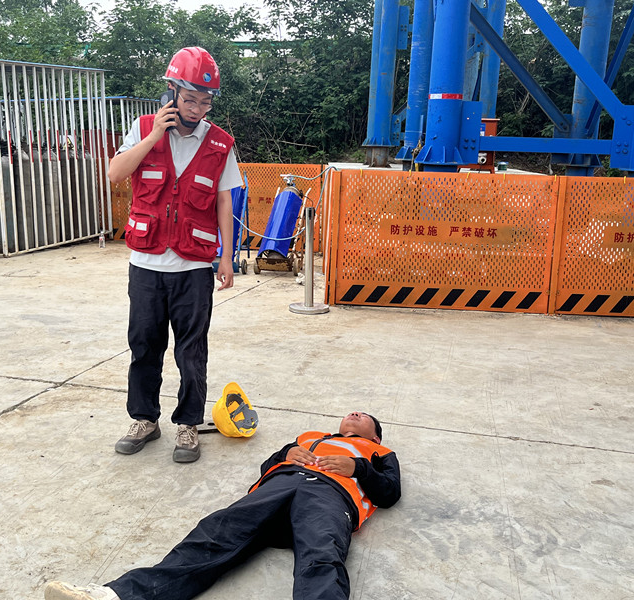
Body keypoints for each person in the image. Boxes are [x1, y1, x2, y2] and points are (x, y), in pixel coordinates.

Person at [45, 411, 402, 600]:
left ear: (374, 435)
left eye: (363, 415)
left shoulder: (379, 452)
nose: (354, 413)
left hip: (329, 495)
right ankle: (118, 595)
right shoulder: (310, 437)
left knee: (321, 553)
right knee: (215, 533)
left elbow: (389, 493)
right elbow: (266, 467)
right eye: (350, 412)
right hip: (277, 488)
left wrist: (358, 468)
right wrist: (286, 453)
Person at [108, 47, 243, 463]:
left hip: (194, 266)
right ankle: (144, 419)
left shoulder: (220, 143)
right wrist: (153, 137)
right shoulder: (142, 128)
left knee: (191, 350)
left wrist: (226, 257)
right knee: (144, 346)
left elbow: (224, 201)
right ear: (171, 92)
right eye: (189, 99)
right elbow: (115, 174)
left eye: (205, 102)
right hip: (146, 264)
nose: (197, 109)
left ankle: (188, 424)